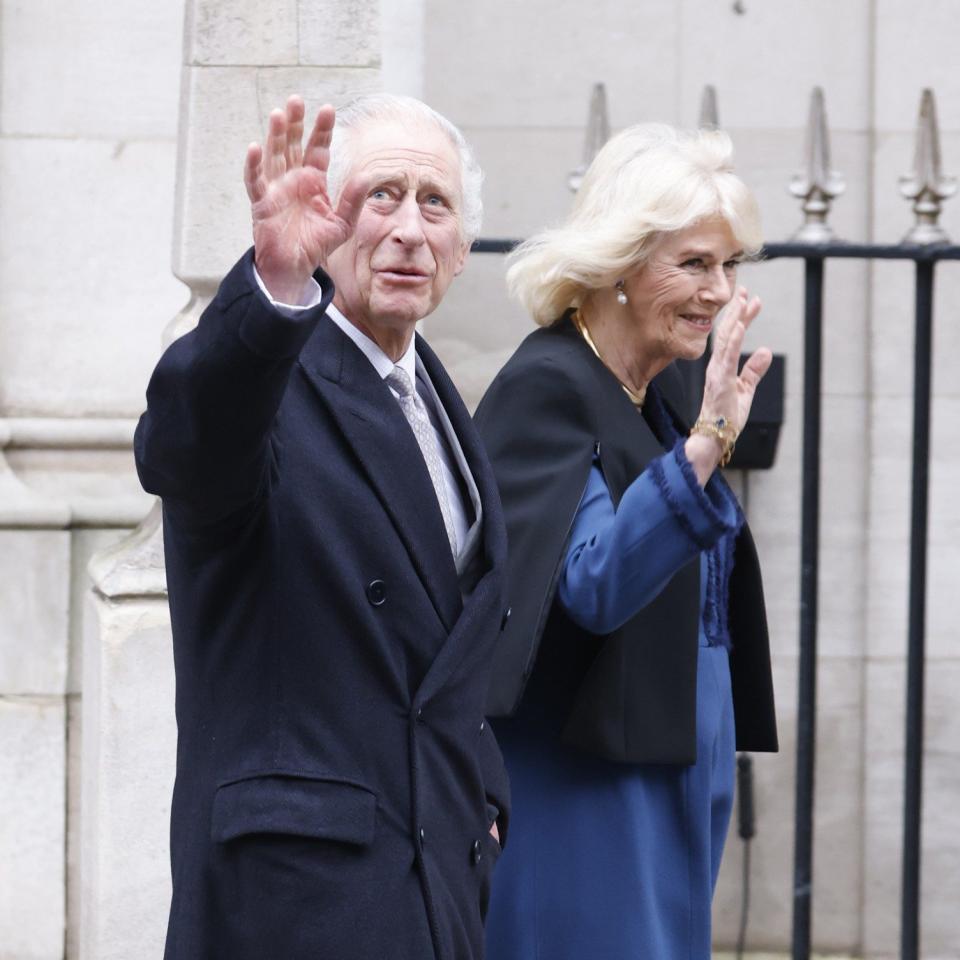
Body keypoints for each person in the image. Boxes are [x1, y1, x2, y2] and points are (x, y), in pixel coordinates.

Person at [135, 93, 510, 960]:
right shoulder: (272, 379)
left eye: (436, 203)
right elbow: (185, 445)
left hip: (432, 883)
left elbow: (451, 652)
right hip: (298, 901)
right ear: (330, 219)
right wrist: (272, 291)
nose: (410, 229)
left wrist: (485, 800)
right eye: (381, 195)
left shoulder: (440, 401)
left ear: (462, 248)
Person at [474, 123, 779, 960]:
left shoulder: (664, 391)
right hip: (586, 782)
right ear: (616, 265)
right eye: (694, 264)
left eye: (730, 266)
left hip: (680, 760)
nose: (719, 291)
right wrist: (709, 446)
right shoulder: (548, 385)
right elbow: (594, 584)